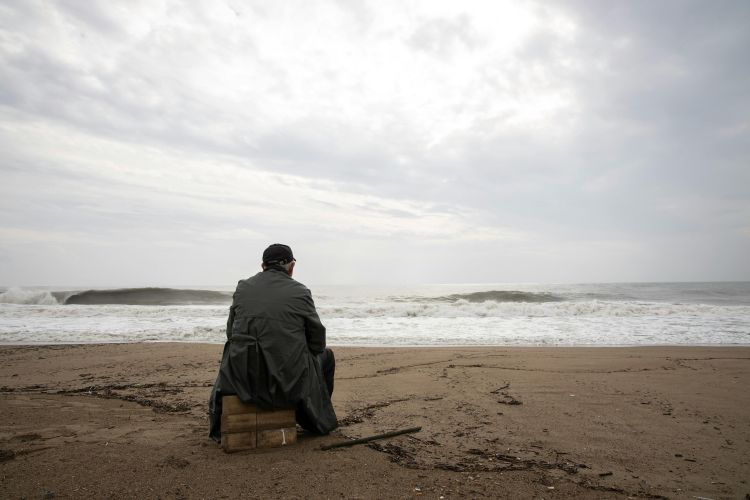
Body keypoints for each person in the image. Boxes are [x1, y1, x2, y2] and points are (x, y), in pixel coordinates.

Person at [209, 244, 337, 440]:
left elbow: (230, 333)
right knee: (326, 356)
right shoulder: (300, 292)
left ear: (263, 266)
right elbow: (317, 341)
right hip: (286, 382)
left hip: (241, 379)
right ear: (291, 266)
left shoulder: (243, 287)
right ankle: (314, 419)